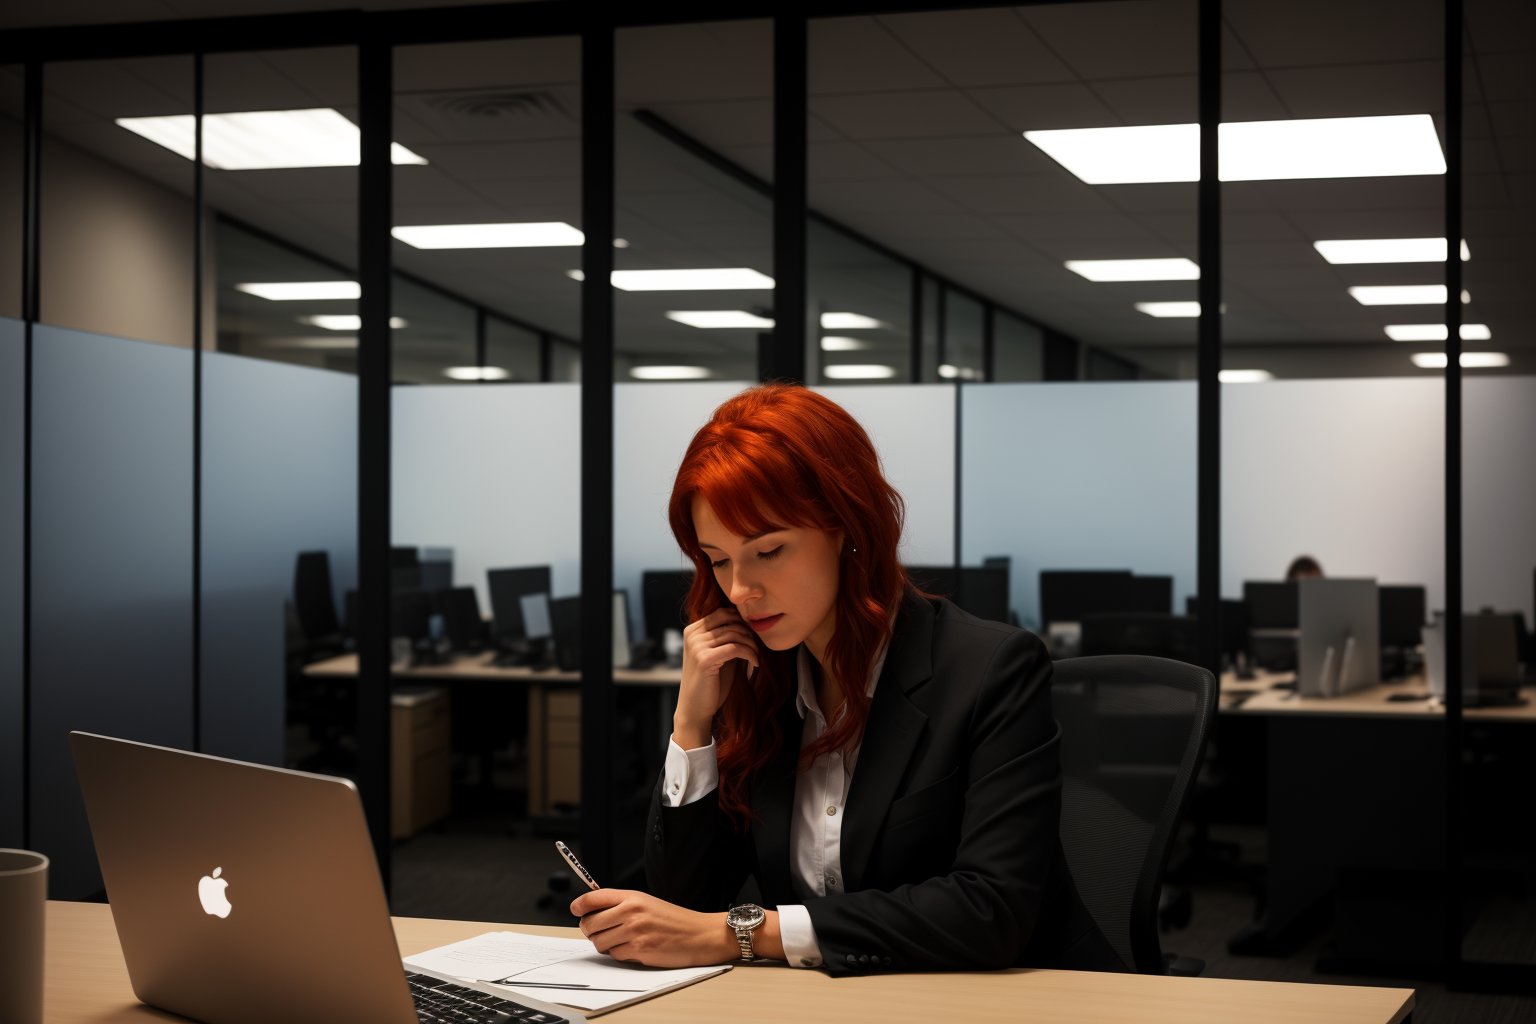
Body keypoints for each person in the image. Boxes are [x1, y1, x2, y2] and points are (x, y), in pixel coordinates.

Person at [569, 384, 1119, 975]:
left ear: (846, 527)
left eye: (769, 551)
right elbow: (687, 906)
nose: (739, 590)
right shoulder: (760, 677)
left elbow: (990, 909)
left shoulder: (990, 669)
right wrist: (691, 724)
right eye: (718, 559)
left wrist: (747, 932)